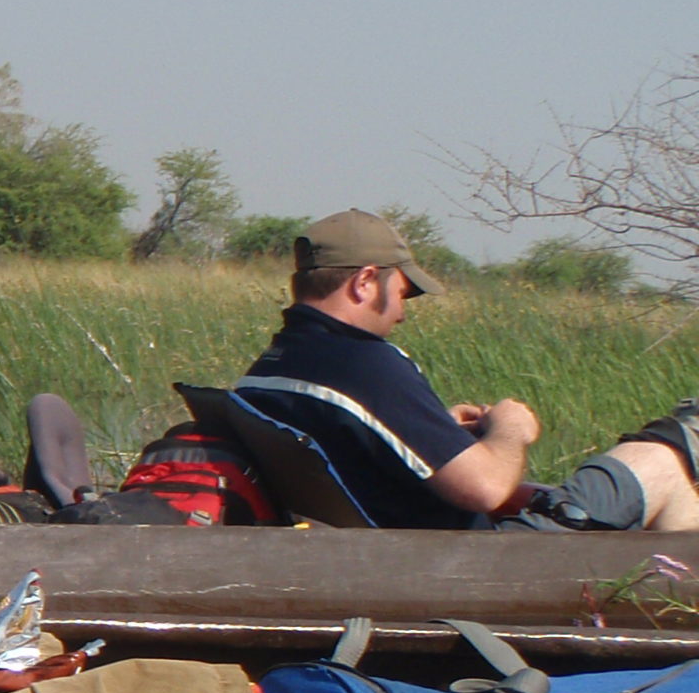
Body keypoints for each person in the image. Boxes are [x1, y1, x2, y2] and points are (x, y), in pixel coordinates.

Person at [236, 210, 699, 532]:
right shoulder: (363, 362)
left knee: (679, 494)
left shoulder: (272, 366)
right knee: (666, 458)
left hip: (385, 558)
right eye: (401, 292)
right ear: (363, 282)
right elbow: (486, 490)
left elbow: (359, 455)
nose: (402, 310)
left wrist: (437, 430)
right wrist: (510, 429)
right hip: (471, 567)